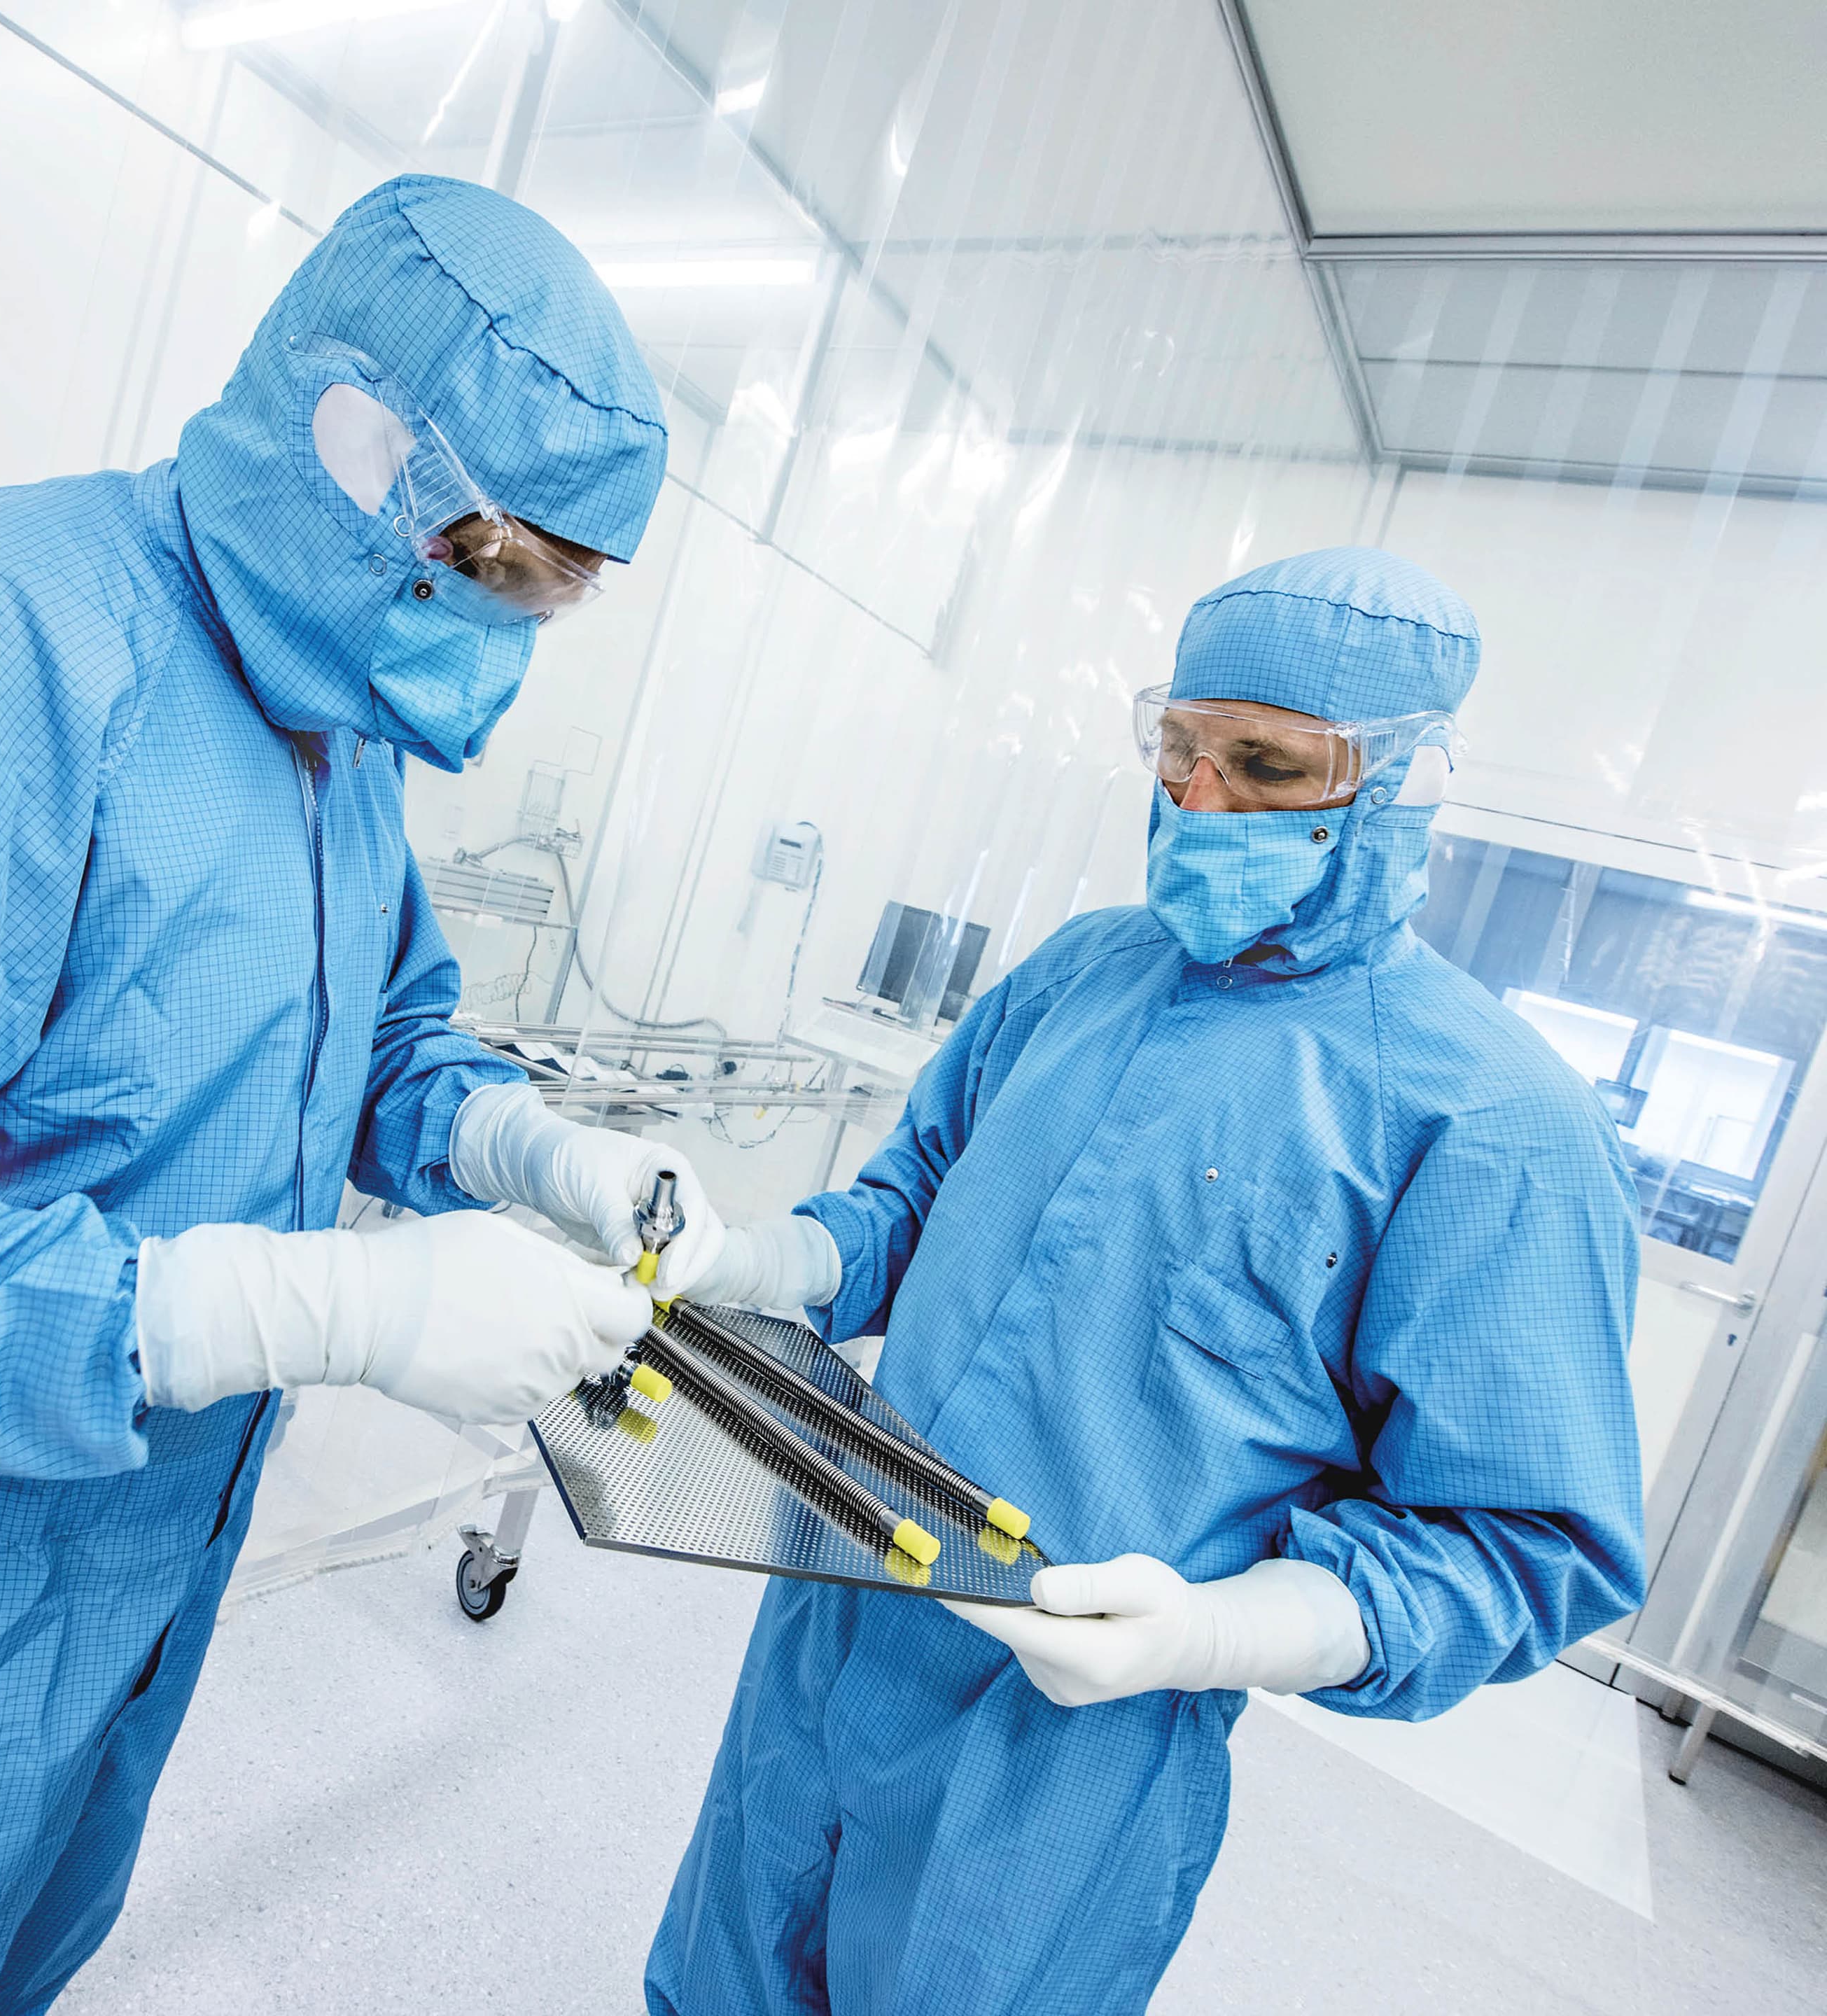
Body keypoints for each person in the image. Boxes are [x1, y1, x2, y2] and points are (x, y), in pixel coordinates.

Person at [0, 174, 731, 2014]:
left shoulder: (326, 725)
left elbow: (370, 1032)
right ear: (356, 446)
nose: (507, 639)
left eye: (556, 601)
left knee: (11, 1960)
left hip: (137, 1581)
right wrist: (326, 1301)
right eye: (495, 570)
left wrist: (534, 1147)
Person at [650, 549, 1646, 2016]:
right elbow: (910, 1204)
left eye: (1266, 765)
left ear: (1403, 787)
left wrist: (1219, 1631)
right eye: (1179, 749)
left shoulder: (1491, 1127)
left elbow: (1519, 1545)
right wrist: (755, 1255)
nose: (1202, 801)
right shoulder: (1082, 973)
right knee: (714, 1983)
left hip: (1063, 1746)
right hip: (834, 1617)